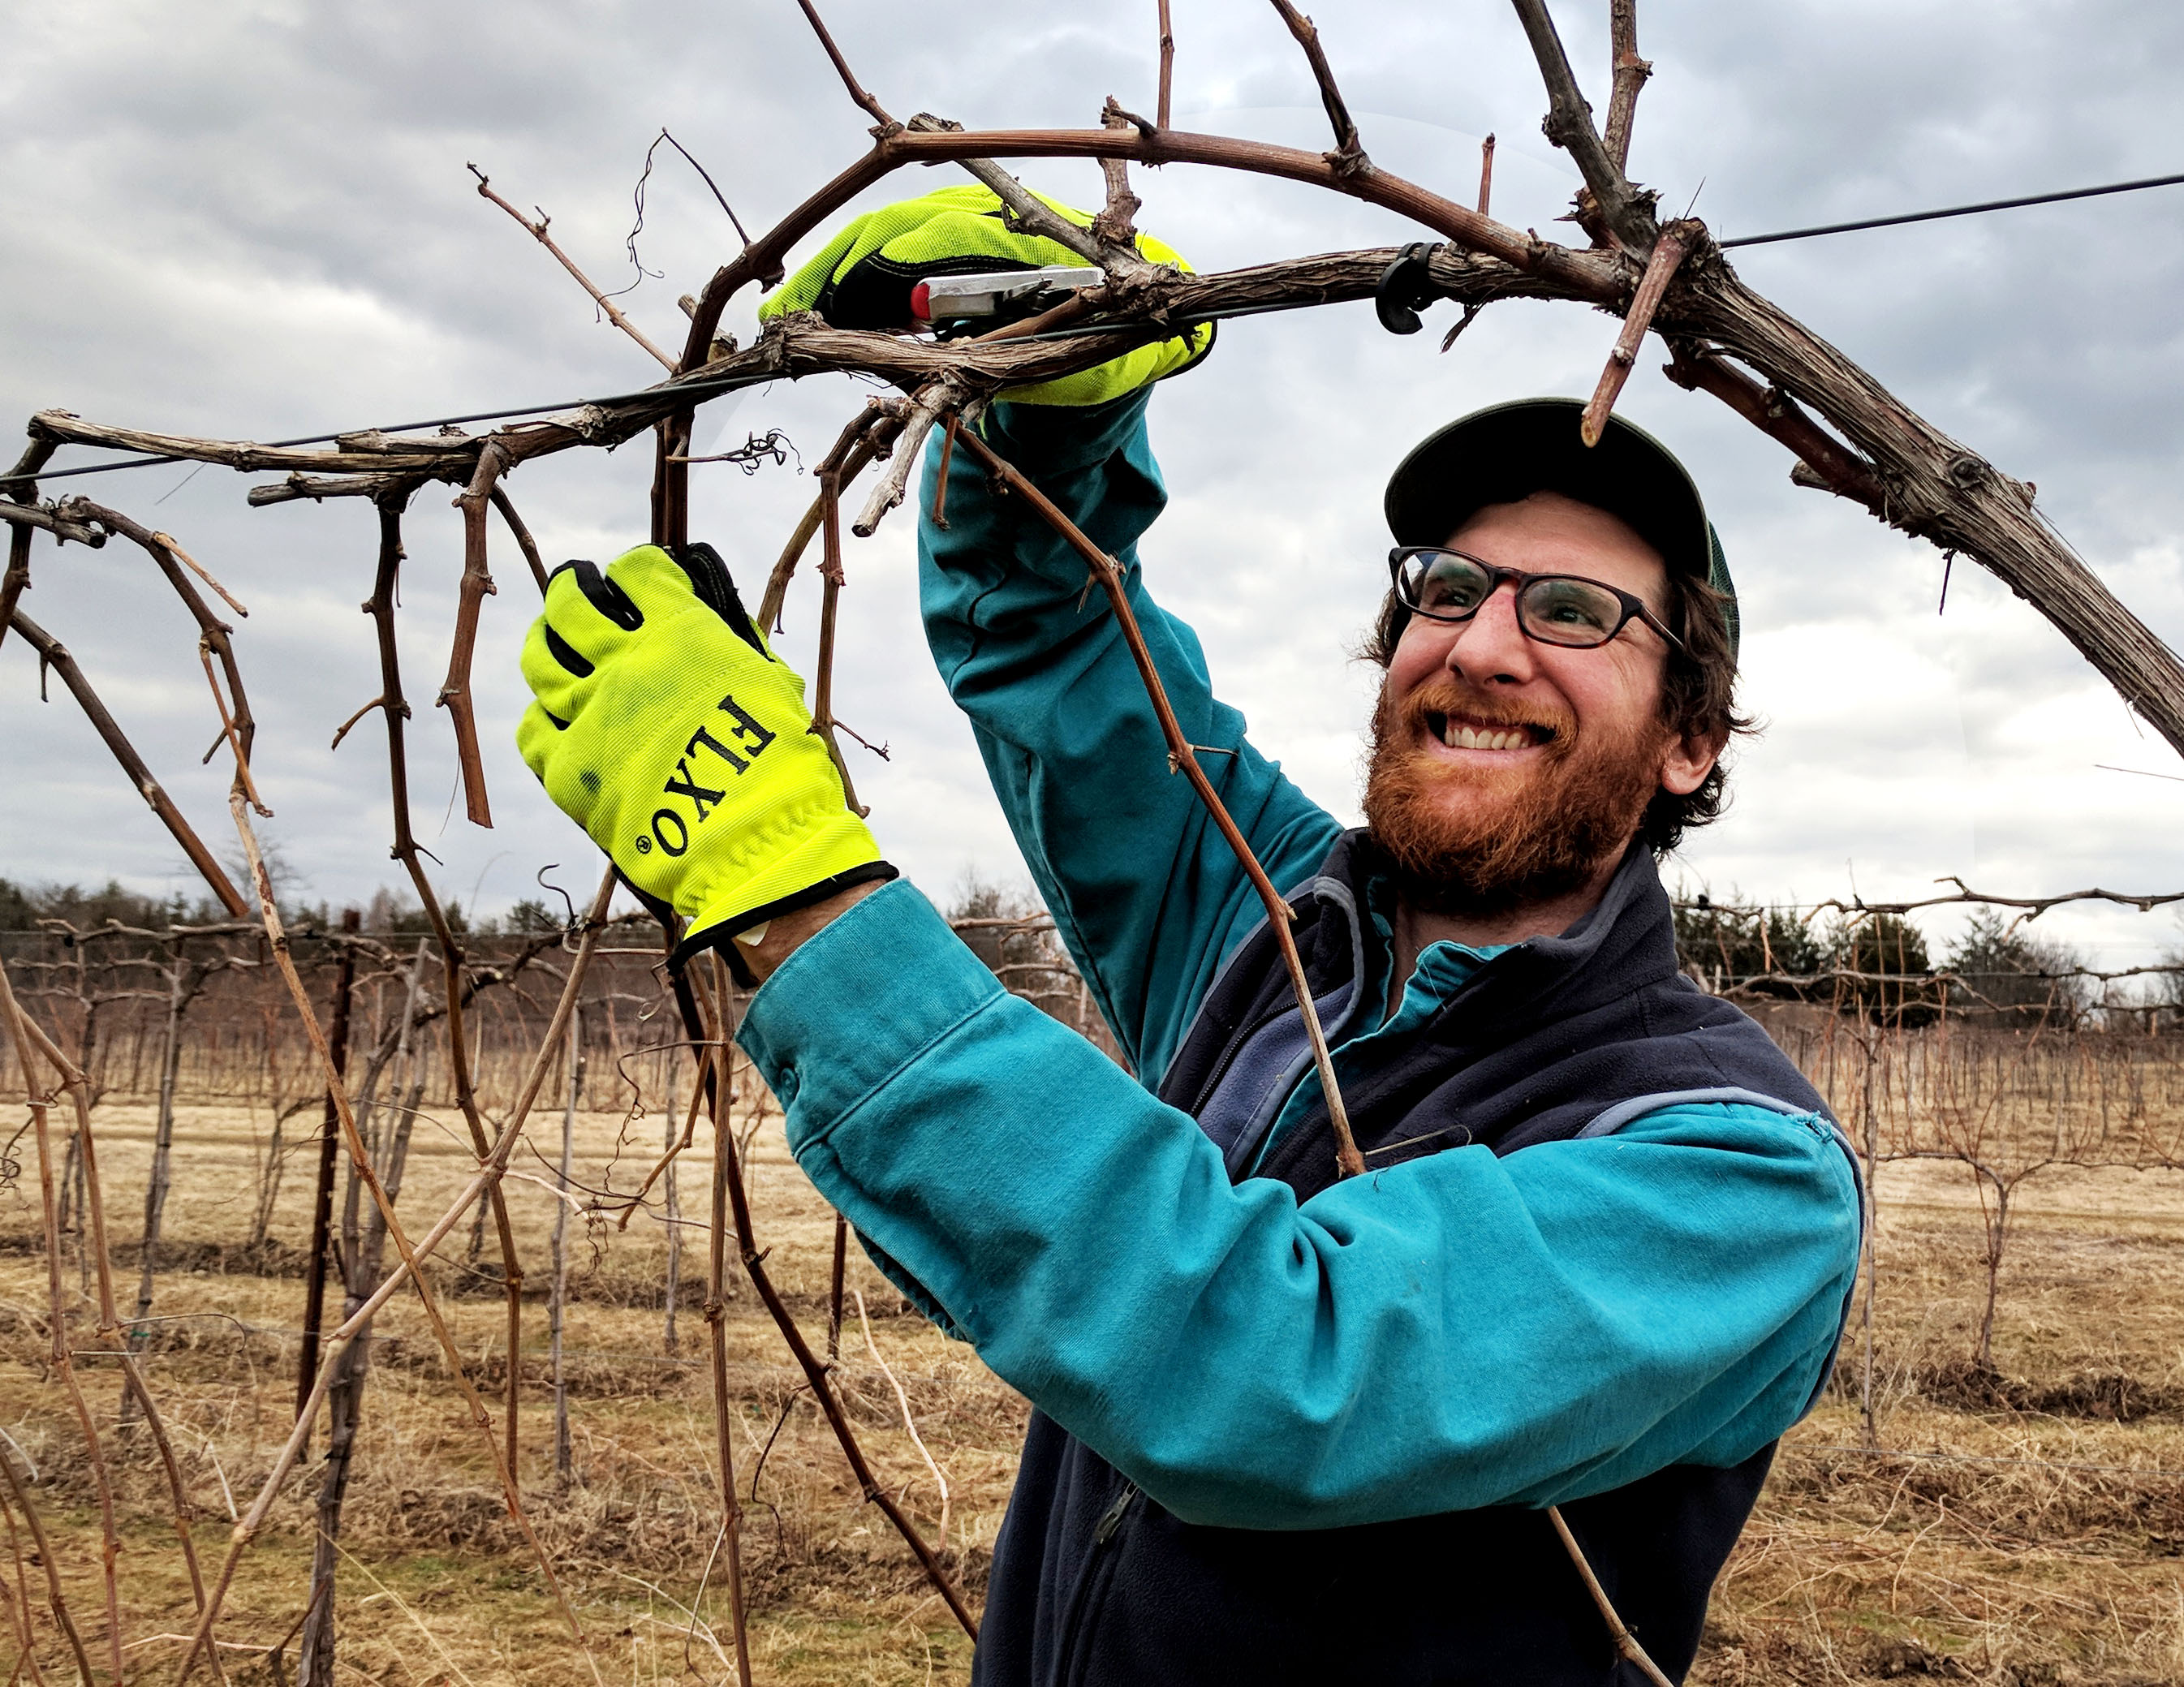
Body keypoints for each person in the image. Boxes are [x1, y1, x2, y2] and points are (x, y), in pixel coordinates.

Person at [516, 189, 1863, 1686]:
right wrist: (1063, 384)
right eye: (1450, 587)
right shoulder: (1265, 919)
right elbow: (1051, 636)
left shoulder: (1740, 1171)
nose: (1484, 643)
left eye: (1573, 612)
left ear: (1689, 739)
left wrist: (785, 887)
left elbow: (1278, 1369)